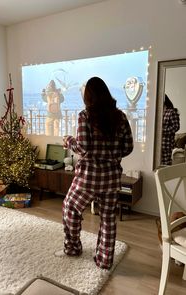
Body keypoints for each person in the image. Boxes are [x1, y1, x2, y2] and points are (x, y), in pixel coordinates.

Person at [55, 77, 133, 270]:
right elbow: (128, 147)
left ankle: (73, 248)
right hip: (112, 177)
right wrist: (112, 155)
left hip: (89, 177)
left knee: (69, 208)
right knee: (108, 218)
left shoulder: (85, 116)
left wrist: (68, 140)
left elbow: (82, 147)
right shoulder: (121, 117)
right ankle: (104, 260)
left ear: (89, 97)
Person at [161, 94, 180, 165]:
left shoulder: (172, 112)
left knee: (166, 165)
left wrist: (162, 131)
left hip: (167, 144)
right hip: (156, 144)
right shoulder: (157, 112)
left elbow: (176, 127)